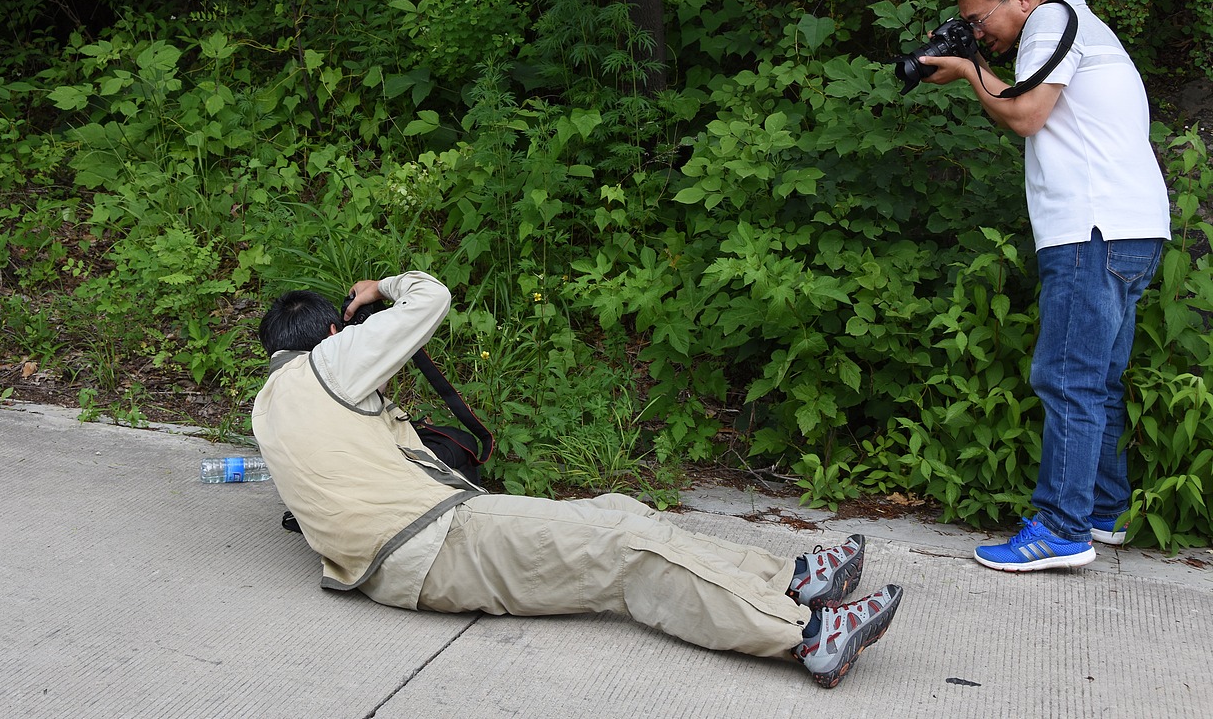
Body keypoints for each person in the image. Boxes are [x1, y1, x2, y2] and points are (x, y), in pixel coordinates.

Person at [252, 270, 903, 688]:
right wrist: (382, 288)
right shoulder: (332, 359)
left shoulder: (266, 408)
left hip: (412, 553)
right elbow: (434, 296)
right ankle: (806, 634)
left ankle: (786, 577)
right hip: (438, 541)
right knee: (626, 550)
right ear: (335, 330)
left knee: (623, 509)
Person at [919, 0, 1171, 571]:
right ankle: (1103, 512)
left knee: (1068, 379)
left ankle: (1061, 528)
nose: (980, 33)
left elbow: (1026, 115)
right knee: (1101, 381)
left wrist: (970, 69)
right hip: (1132, 229)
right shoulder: (1075, 28)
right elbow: (1031, 100)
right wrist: (972, 65)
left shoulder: (1050, 23)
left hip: (1092, 227)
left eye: (980, 21)